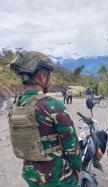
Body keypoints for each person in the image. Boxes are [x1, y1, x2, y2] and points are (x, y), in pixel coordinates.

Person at [8, 51, 81, 187]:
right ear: (42, 77)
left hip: (30, 174)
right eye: (50, 77)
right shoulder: (52, 105)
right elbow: (71, 145)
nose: (51, 81)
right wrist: (77, 168)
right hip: (57, 176)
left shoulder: (15, 106)